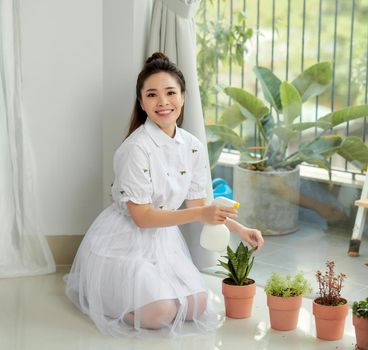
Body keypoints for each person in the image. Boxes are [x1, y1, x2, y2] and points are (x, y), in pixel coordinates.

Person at [65, 52, 264, 337]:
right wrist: (200, 213)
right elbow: (143, 218)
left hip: (165, 240)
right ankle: (102, 292)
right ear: (142, 102)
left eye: (170, 92)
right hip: (125, 241)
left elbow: (200, 204)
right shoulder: (135, 149)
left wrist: (240, 229)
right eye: (152, 95)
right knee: (160, 314)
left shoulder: (192, 145)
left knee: (196, 306)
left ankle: (145, 295)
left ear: (183, 96)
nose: (163, 102)